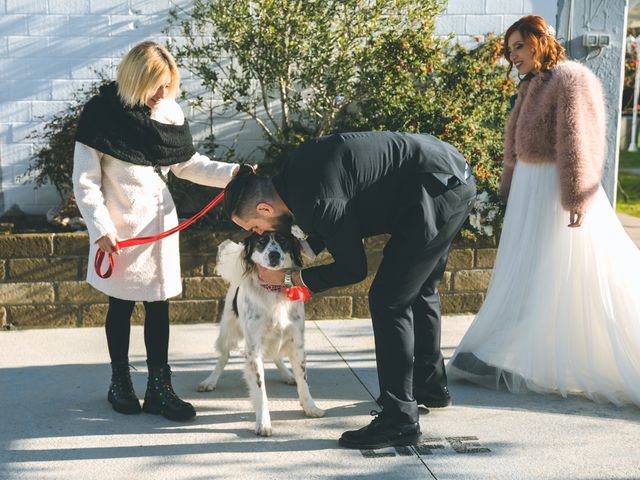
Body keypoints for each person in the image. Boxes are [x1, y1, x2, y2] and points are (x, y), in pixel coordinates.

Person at [223, 131, 476, 449]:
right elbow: (334, 217)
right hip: (450, 172)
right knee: (421, 286)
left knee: (388, 300)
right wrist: (306, 251)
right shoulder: (294, 174)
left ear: (263, 209)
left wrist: (292, 280)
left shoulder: (314, 200)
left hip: (434, 190)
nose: (259, 234)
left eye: (255, 229)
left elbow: (353, 269)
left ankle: (399, 420)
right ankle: (430, 388)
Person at [449, 15, 640, 406]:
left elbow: (579, 141)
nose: (512, 56)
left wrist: (575, 197)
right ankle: (502, 352)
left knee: (567, 271)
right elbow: (515, 146)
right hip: (528, 190)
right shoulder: (530, 85)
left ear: (539, 42)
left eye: (518, 46)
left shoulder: (570, 78)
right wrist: (508, 184)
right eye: (509, 49)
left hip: (555, 189)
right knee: (529, 271)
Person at [72, 41, 240, 421]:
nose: (163, 94)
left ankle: (160, 389)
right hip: (119, 232)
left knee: (159, 307)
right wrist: (100, 227)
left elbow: (187, 165)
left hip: (160, 227)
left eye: (168, 85)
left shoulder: (168, 111)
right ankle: (120, 382)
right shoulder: (101, 114)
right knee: (120, 305)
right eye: (155, 85)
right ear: (135, 79)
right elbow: (85, 182)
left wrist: (233, 173)